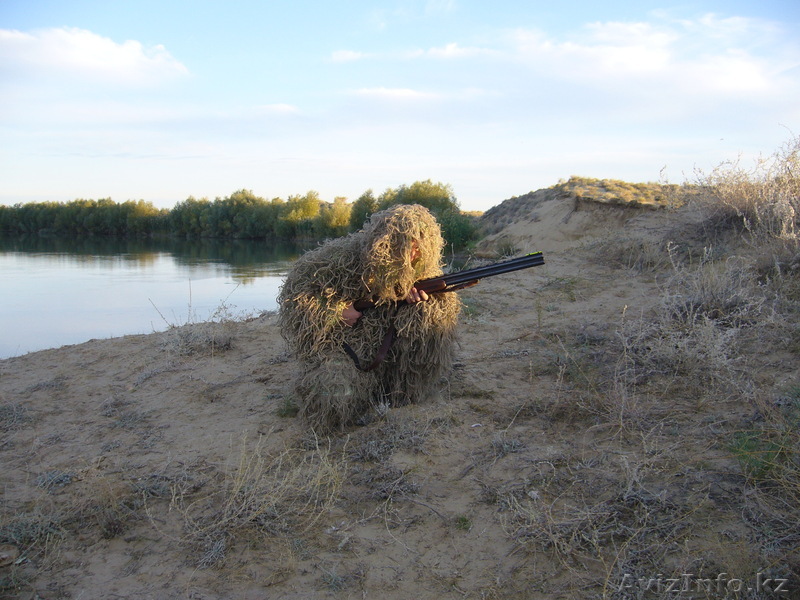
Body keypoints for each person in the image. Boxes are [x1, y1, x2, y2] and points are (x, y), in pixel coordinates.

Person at [278, 204, 461, 432]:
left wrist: (424, 302)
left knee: (431, 315)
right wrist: (336, 312)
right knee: (333, 391)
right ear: (382, 242)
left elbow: (440, 315)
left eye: (419, 246)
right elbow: (295, 299)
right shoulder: (337, 258)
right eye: (405, 245)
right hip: (343, 346)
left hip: (388, 346)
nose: (413, 253)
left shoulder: (423, 268)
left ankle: (402, 394)